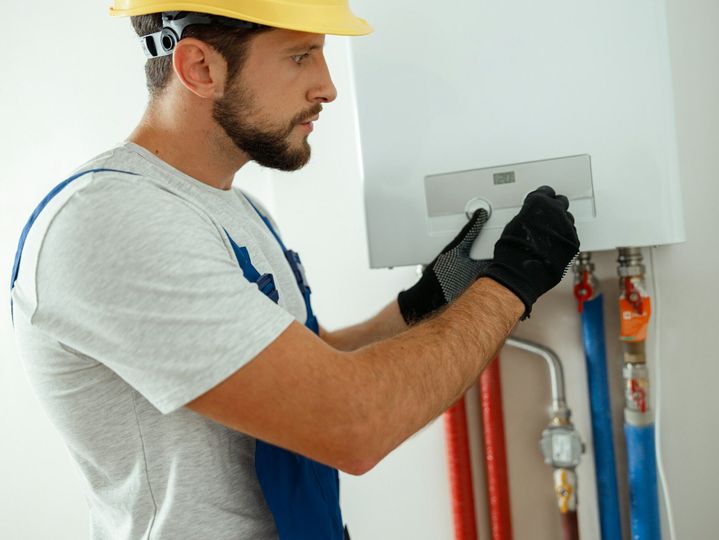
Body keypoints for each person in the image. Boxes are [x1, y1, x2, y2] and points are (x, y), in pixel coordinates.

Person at [10, 2, 580, 539]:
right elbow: (351, 424)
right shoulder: (112, 223)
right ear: (200, 66)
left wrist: (427, 300)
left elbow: (307, 365)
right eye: (300, 55)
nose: (327, 87)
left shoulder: (230, 207)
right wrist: (510, 286)